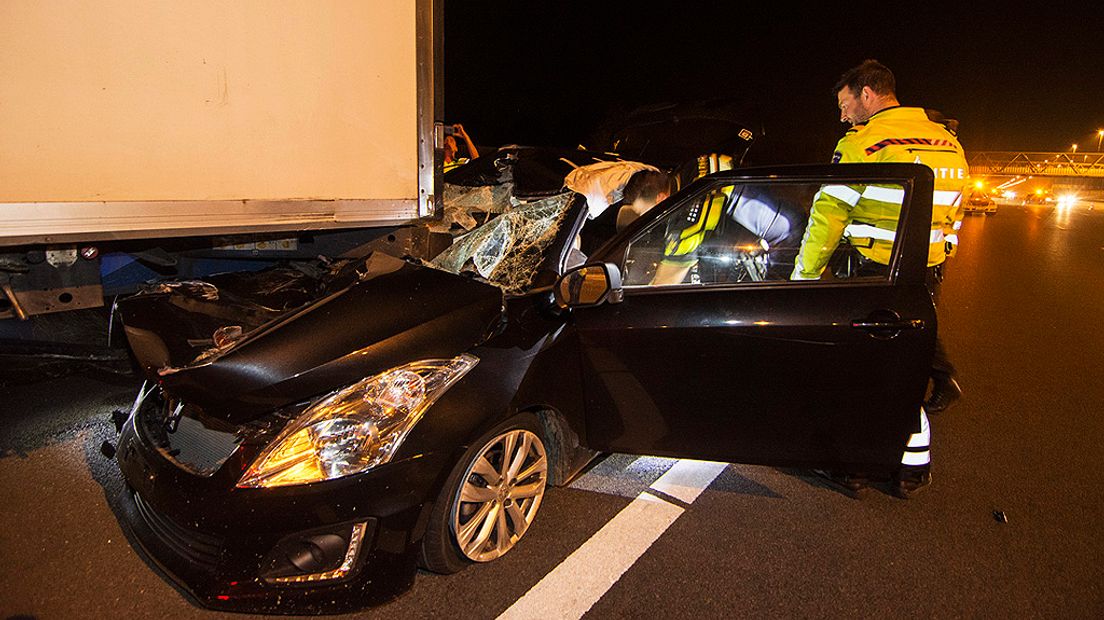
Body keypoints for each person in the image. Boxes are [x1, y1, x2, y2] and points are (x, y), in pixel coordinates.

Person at [793, 59, 969, 497]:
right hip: (925, 268)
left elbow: (828, 216)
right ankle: (911, 468)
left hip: (875, 270)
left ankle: (855, 467)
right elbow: (957, 206)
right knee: (906, 367)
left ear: (866, 93)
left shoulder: (866, 141)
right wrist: (939, 250)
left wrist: (804, 277)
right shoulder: (947, 140)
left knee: (861, 369)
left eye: (844, 103)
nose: (842, 114)